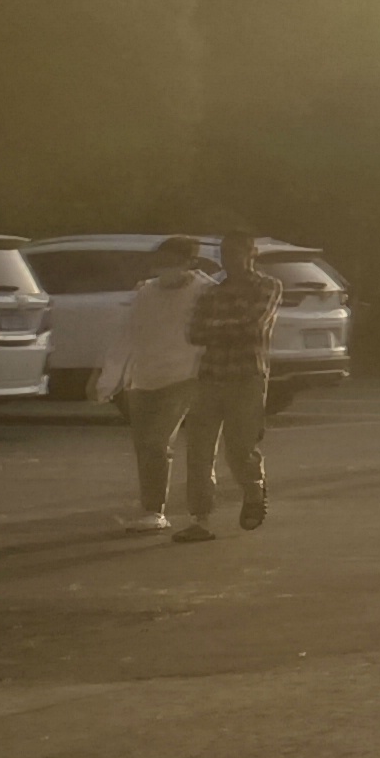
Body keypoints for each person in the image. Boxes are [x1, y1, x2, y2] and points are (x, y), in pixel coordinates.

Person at [172, 229, 275, 541]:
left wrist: (219, 326)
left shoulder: (268, 286)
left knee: (240, 449)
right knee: (199, 450)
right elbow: (195, 333)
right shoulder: (212, 293)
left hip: (246, 377)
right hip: (210, 377)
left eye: (236, 252)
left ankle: (254, 492)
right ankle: (200, 518)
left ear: (251, 253)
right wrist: (227, 326)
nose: (230, 259)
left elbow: (252, 325)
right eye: (225, 253)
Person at [103, 236, 204, 532]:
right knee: (144, 446)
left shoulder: (205, 291)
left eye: (173, 262)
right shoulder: (147, 292)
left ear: (190, 263)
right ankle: (150, 508)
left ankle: (155, 510)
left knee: (157, 443)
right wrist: (107, 378)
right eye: (162, 262)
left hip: (183, 377)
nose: (166, 268)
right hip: (144, 378)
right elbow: (127, 335)